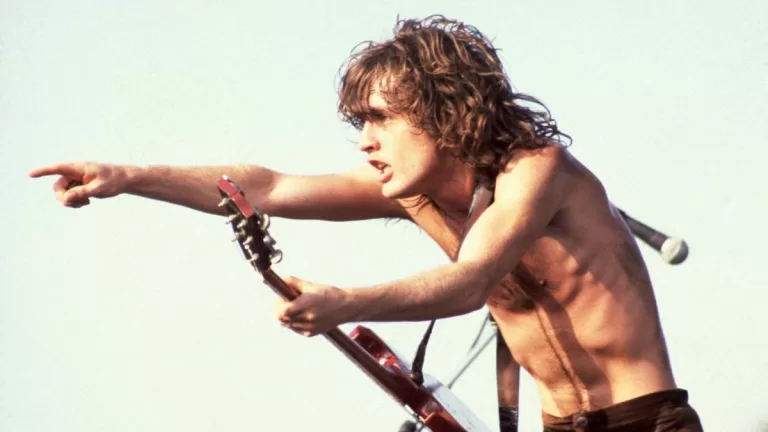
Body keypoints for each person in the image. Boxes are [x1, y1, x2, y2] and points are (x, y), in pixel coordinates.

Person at [29, 15, 703, 432]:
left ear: (443, 109)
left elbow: (471, 281)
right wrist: (131, 176)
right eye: (361, 123)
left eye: (380, 119)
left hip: (647, 423)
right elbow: (263, 188)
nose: (365, 142)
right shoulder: (415, 194)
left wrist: (346, 303)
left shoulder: (539, 171)